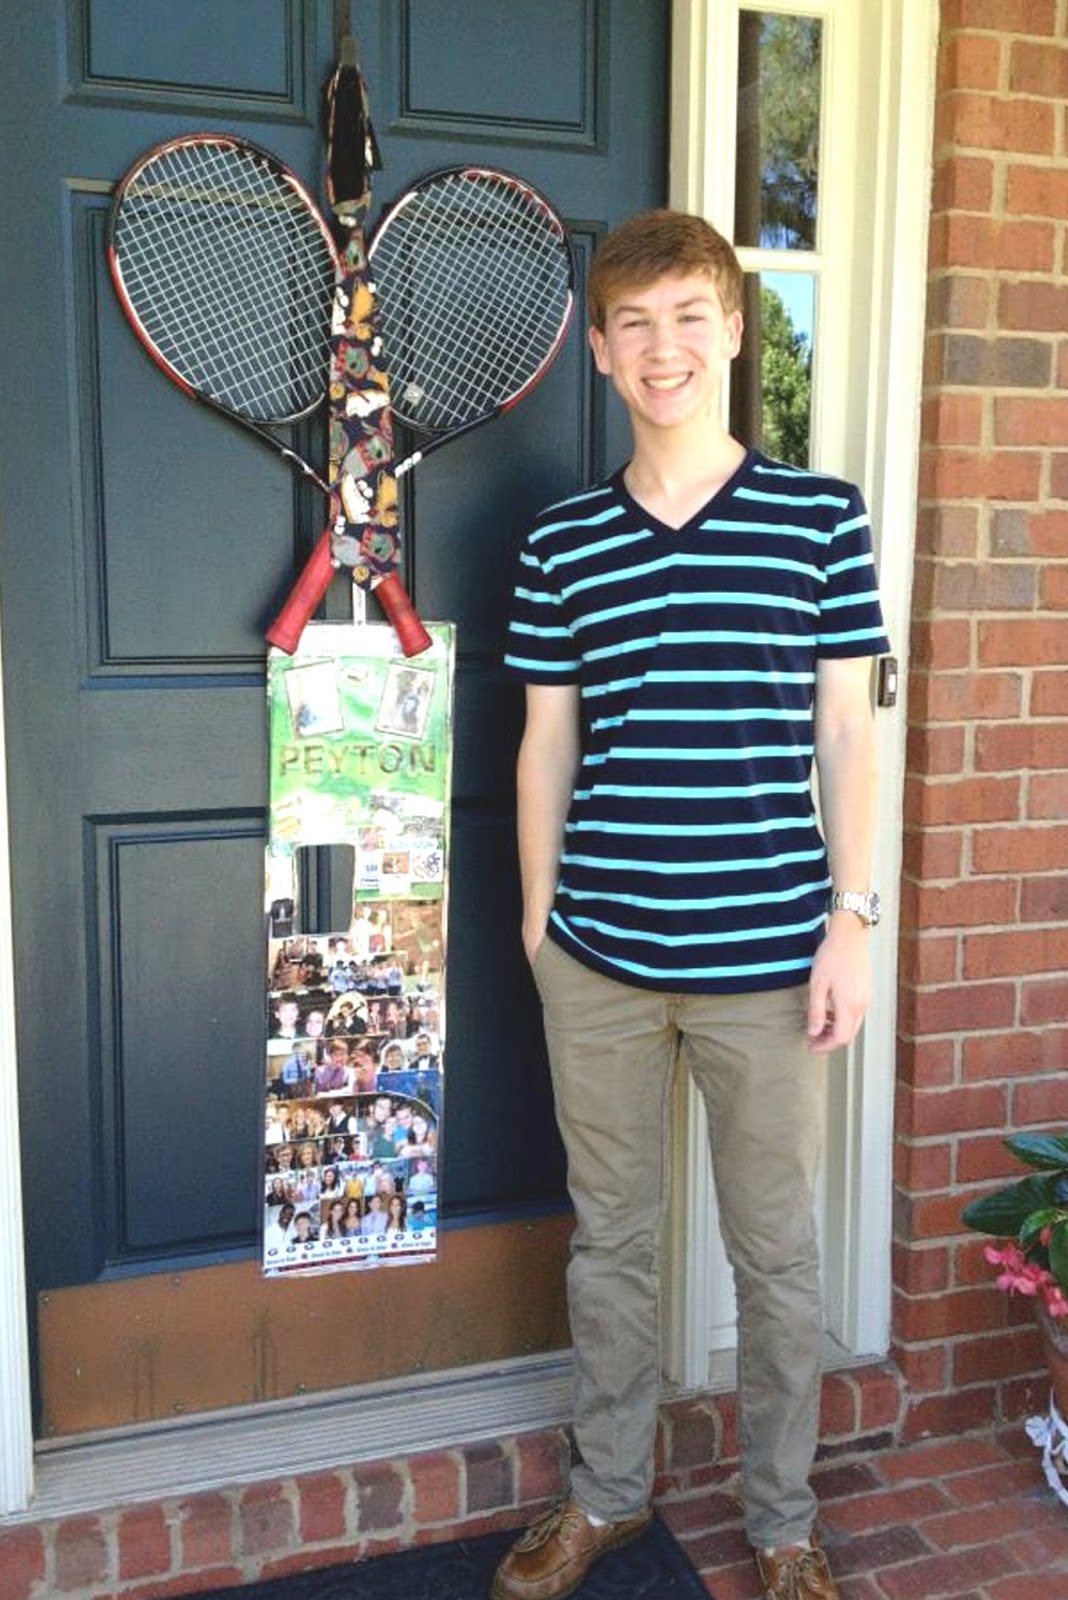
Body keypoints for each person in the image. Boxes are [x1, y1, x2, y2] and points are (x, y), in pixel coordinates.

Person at [492, 210, 888, 1600]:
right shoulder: (563, 542)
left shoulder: (818, 518)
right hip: (598, 956)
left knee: (778, 1262)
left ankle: (782, 1524)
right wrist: (539, 923)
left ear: (733, 330)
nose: (665, 347)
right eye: (635, 324)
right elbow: (549, 736)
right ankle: (605, 1496)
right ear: (601, 353)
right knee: (613, 1250)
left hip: (773, 961)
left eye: (690, 315)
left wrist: (853, 919)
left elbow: (848, 732)